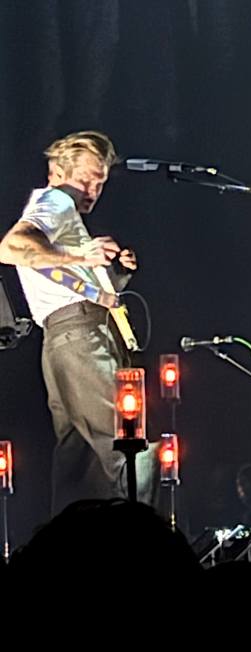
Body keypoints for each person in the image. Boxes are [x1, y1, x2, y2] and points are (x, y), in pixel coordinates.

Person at [0, 131, 156, 513]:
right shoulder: (55, 201)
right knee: (130, 442)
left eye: (100, 182)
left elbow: (61, 276)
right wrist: (81, 259)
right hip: (82, 335)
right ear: (56, 172)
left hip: (62, 339)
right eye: (85, 178)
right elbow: (11, 247)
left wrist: (113, 275)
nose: (92, 189)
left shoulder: (61, 212)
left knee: (80, 458)